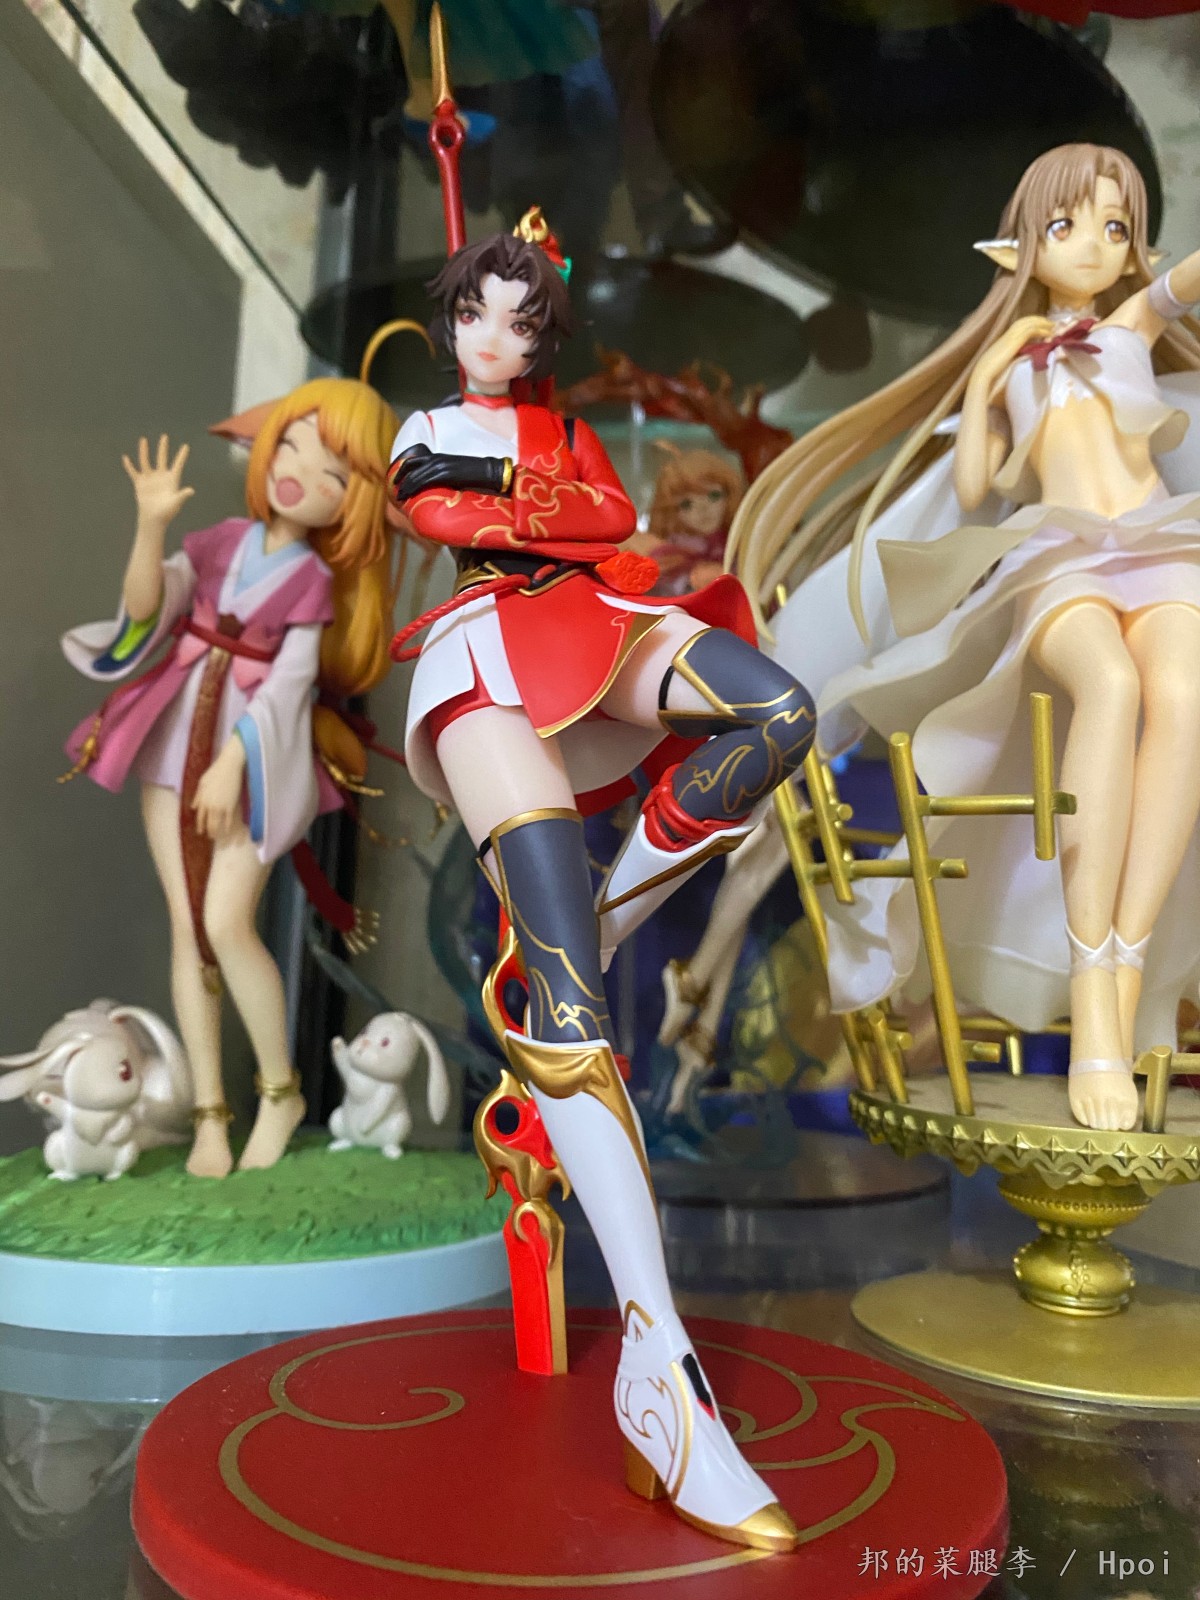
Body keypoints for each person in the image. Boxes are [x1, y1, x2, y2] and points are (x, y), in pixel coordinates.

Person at [388, 209, 814, 1552]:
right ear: (453, 317)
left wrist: (538, 507)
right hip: (482, 662)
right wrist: (536, 508)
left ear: (546, 335)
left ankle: (600, 922)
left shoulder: (565, 431)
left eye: (520, 320)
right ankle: (659, 1371)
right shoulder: (424, 424)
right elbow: (438, 507)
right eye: (475, 312)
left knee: (779, 713)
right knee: (572, 1013)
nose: (492, 336)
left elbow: (612, 515)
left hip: (597, 624)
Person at [728, 142, 1200, 1133]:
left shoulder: (1131, 328)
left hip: (1160, 544)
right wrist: (992, 380)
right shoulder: (1013, 360)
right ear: (1022, 244)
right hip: (1062, 557)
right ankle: (1093, 990)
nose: (1091, 245)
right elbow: (980, 487)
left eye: (1115, 227)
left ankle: (1122, 966)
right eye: (1066, 225)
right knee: (1108, 688)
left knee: (1184, 697)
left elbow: (1179, 285)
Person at [62, 379, 400, 1177]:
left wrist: (232, 764)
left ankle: (279, 1091)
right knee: (188, 927)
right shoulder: (216, 543)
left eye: (332, 471)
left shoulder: (313, 581)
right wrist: (150, 526)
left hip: (252, 760)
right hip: (171, 742)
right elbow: (146, 611)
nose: (299, 472)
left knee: (226, 922)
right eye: (291, 445)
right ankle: (211, 1116)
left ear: (355, 500)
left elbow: (289, 685)